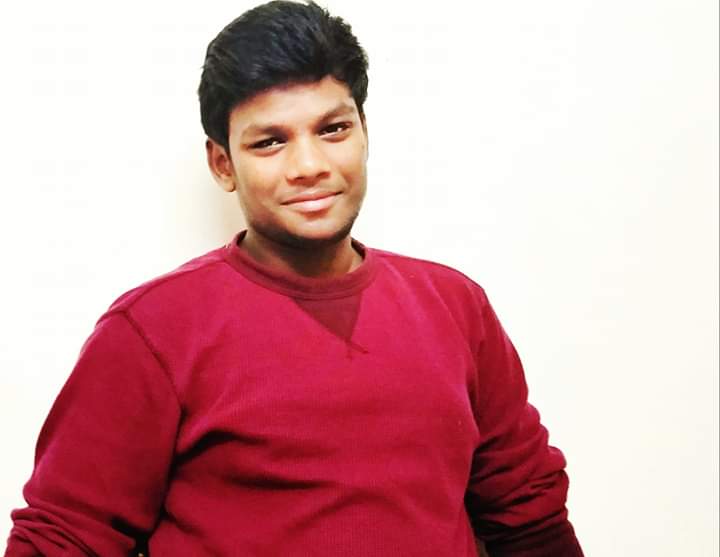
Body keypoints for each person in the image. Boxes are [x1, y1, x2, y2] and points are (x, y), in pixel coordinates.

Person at [5, 1, 584, 556]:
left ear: (364, 131)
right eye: (270, 142)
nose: (309, 166)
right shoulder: (152, 330)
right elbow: (65, 539)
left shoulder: (455, 305)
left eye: (333, 129)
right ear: (223, 163)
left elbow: (528, 513)